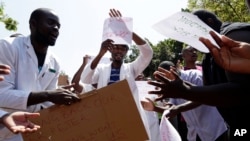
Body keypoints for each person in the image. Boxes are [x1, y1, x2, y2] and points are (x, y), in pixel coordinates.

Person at [148, 9, 250, 140]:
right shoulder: (209, 57)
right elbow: (204, 94)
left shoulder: (233, 34)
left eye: (194, 33)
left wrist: (184, 90)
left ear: (209, 22)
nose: (194, 42)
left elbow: (242, 92)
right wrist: (180, 98)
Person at [0, 8, 80, 141]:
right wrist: (48, 95)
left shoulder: (55, 62)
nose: (56, 29)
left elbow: (48, 103)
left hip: (35, 132)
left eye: (58, 26)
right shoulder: (8, 46)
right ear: (33, 24)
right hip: (5, 132)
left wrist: (64, 99)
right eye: (50, 23)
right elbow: (1, 95)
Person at [81, 8, 155, 140]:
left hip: (129, 116)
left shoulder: (132, 68)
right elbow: (85, 78)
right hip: (106, 117)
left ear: (127, 51)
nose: (118, 50)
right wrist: (100, 53)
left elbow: (148, 53)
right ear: (110, 49)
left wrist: (128, 31)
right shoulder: (102, 69)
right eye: (115, 47)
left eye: (122, 48)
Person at [143, 61, 228, 141]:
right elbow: (171, 109)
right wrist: (154, 108)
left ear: (173, 69)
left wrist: (179, 108)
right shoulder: (173, 87)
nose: (165, 81)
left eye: (165, 76)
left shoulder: (194, 75)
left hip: (215, 130)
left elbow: (204, 97)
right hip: (194, 135)